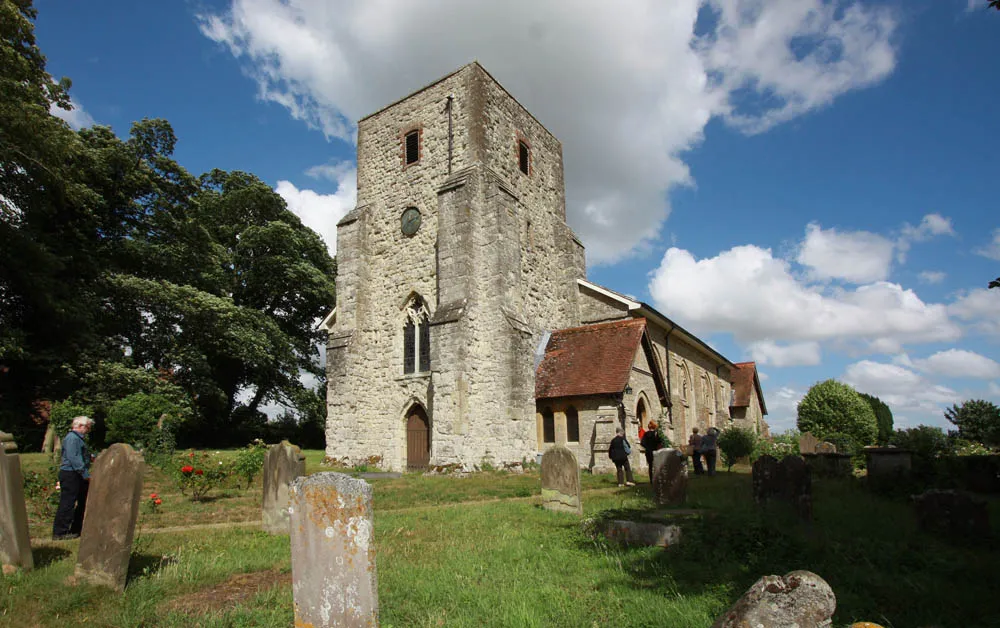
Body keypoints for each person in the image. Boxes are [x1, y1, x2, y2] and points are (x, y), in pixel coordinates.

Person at [52, 416, 94, 540]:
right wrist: (85, 475)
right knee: (68, 503)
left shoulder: (78, 439)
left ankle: (76, 529)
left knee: (82, 501)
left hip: (76, 473)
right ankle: (60, 532)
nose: (88, 430)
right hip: (71, 474)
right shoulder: (72, 438)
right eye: (88, 427)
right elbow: (74, 458)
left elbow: (80, 454)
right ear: (81, 426)